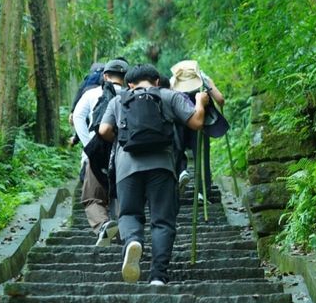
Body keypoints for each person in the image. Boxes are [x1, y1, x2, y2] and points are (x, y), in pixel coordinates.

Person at [99, 63, 209, 285]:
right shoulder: (168, 96)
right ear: (157, 81)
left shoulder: (117, 100)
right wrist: (200, 102)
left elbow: (103, 131)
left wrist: (122, 142)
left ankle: (132, 241)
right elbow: (196, 122)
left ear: (129, 84)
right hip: (162, 167)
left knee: (129, 214)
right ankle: (158, 275)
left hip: (127, 167)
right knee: (162, 221)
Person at [74, 58, 128, 246]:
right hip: (126, 154)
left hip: (98, 154)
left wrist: (88, 143)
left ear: (105, 76)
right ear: (126, 77)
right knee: (121, 194)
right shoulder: (132, 94)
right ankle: (126, 235)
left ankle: (103, 224)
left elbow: (77, 116)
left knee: (92, 197)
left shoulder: (92, 94)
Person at [170, 60, 225, 203]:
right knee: (201, 155)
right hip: (200, 123)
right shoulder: (204, 79)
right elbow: (220, 99)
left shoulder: (172, 82)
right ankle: (202, 192)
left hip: (179, 122)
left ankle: (181, 171)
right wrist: (210, 88)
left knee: (177, 149)